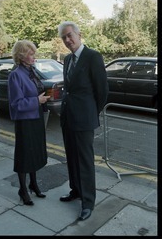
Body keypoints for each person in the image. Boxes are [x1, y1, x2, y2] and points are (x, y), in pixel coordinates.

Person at [58, 21, 109, 220]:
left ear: (79, 35)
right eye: (64, 37)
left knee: (85, 161)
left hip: (84, 119)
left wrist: (91, 113)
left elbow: (102, 91)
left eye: (70, 35)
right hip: (68, 116)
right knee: (71, 157)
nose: (67, 40)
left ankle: (88, 202)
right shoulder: (68, 59)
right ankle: (76, 190)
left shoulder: (93, 56)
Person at [8, 40, 50, 206]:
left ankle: (33, 184)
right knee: (24, 155)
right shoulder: (16, 74)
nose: (34, 57)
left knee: (34, 152)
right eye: (31, 54)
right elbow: (16, 104)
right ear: (21, 56)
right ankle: (23, 189)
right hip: (25, 121)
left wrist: (44, 98)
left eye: (34, 53)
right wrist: (36, 100)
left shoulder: (31, 71)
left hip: (36, 117)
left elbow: (37, 90)